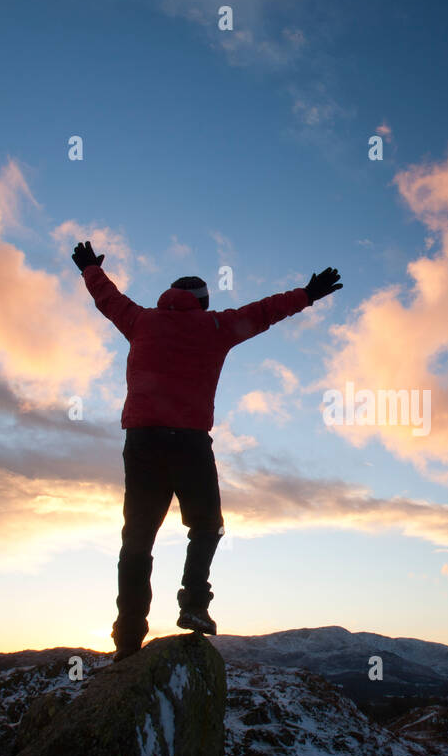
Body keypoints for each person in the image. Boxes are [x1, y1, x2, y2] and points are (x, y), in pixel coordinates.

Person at [72, 240, 342, 660]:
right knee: (205, 527)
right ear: (203, 302)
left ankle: (127, 639)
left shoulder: (140, 321)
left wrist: (89, 267)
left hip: (142, 443)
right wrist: (307, 295)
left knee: (137, 541)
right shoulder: (215, 327)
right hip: (190, 444)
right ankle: (194, 604)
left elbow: (107, 298)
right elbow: (264, 311)